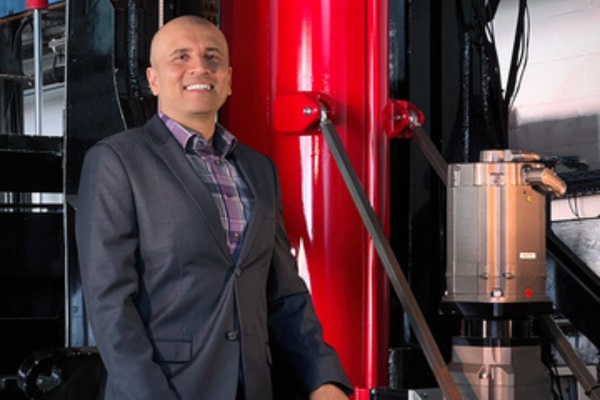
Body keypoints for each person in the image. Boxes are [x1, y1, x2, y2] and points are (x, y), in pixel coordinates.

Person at [75, 15, 352, 400]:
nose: (200, 68)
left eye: (212, 57)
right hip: (166, 389)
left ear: (229, 79)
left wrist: (323, 379)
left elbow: (284, 292)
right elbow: (110, 305)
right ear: (153, 80)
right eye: (181, 57)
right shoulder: (117, 160)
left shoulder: (259, 170)